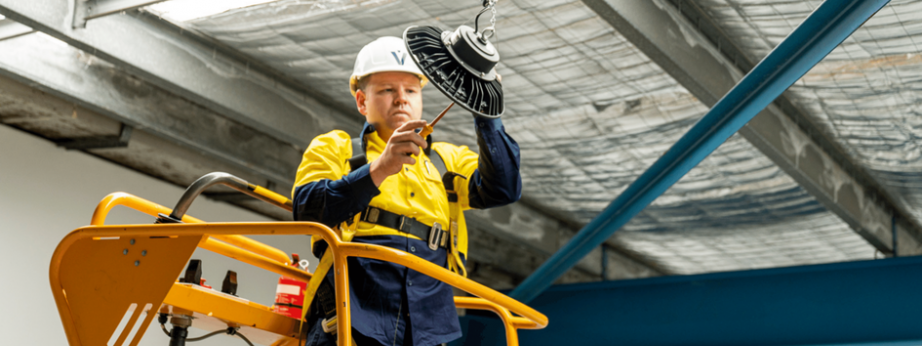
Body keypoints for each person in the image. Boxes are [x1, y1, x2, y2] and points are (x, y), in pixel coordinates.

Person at [292, 36, 521, 346]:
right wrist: (381, 167)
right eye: (387, 90)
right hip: (351, 314)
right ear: (362, 101)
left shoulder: (446, 160)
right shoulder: (336, 148)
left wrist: (486, 112)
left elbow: (503, 189)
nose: (401, 99)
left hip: (428, 321)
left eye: (411, 90)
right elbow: (306, 209)